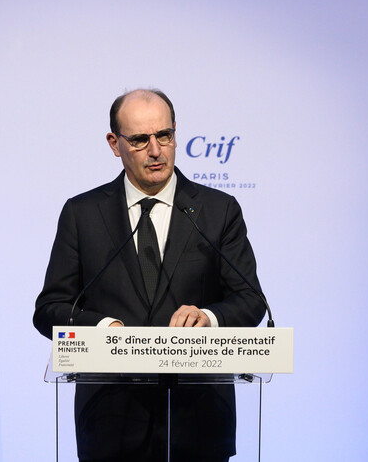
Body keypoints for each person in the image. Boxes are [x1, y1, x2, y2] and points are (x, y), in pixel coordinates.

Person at [33, 89, 265, 462]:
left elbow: (251, 301)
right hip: (111, 423)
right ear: (115, 143)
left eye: (165, 136)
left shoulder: (218, 211)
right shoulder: (82, 214)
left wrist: (210, 317)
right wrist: (104, 328)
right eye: (140, 140)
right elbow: (50, 309)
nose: (156, 150)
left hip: (198, 421)